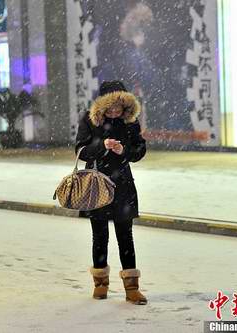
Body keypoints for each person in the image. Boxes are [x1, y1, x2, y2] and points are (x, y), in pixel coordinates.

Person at [75, 80, 147, 304]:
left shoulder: (130, 123)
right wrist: (101, 146)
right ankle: (100, 283)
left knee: (126, 236)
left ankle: (131, 287)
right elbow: (80, 150)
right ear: (102, 105)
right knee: (100, 236)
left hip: (123, 186)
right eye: (111, 107)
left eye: (119, 107)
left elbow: (139, 149)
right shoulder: (89, 121)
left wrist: (124, 150)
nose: (115, 111)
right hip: (97, 185)